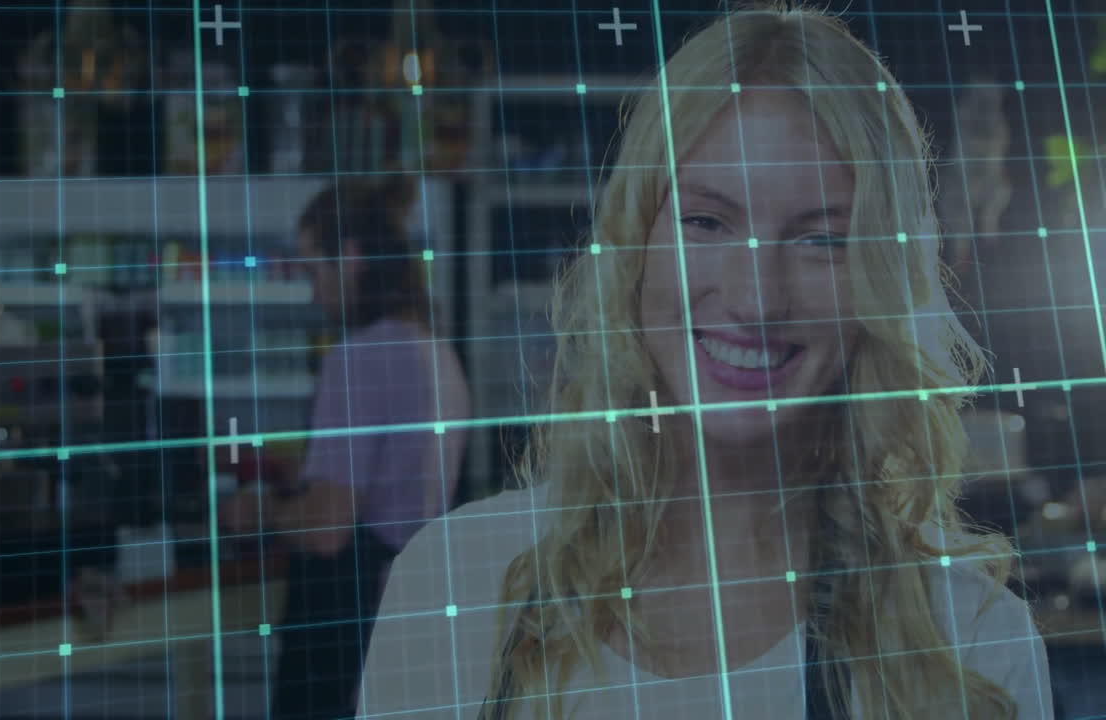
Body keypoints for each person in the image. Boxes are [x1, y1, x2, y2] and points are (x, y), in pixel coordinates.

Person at [360, 4, 1053, 720]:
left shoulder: (972, 650)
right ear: (635, 247)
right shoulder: (453, 586)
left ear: (881, 283)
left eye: (822, 240)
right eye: (707, 222)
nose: (756, 298)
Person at [220, 177, 472, 720]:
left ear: (351, 258)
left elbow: (328, 529)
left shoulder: (357, 356)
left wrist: (258, 509)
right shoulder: (438, 352)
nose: (313, 292)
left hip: (349, 631)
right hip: (414, 623)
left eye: (314, 270)